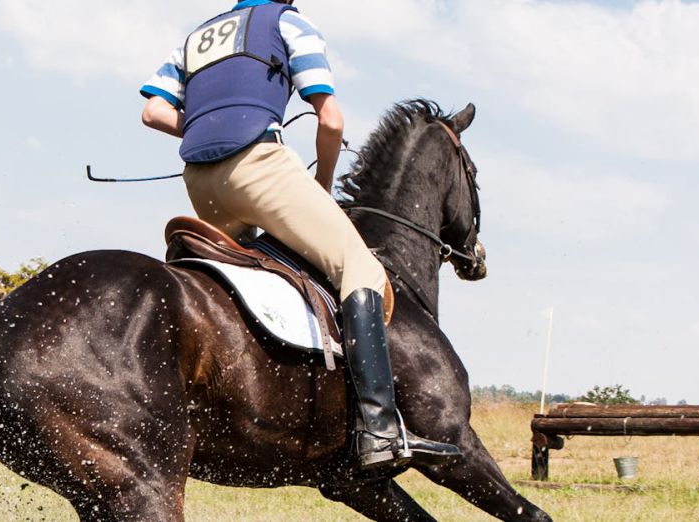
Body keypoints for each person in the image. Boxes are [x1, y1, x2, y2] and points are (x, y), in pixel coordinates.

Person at [139, 0, 461, 470]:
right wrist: (323, 185)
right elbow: (330, 119)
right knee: (359, 266)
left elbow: (153, 111)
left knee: (255, 266)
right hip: (258, 167)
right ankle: (379, 429)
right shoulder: (288, 23)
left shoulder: (196, 38)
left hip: (199, 180)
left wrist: (211, 126)